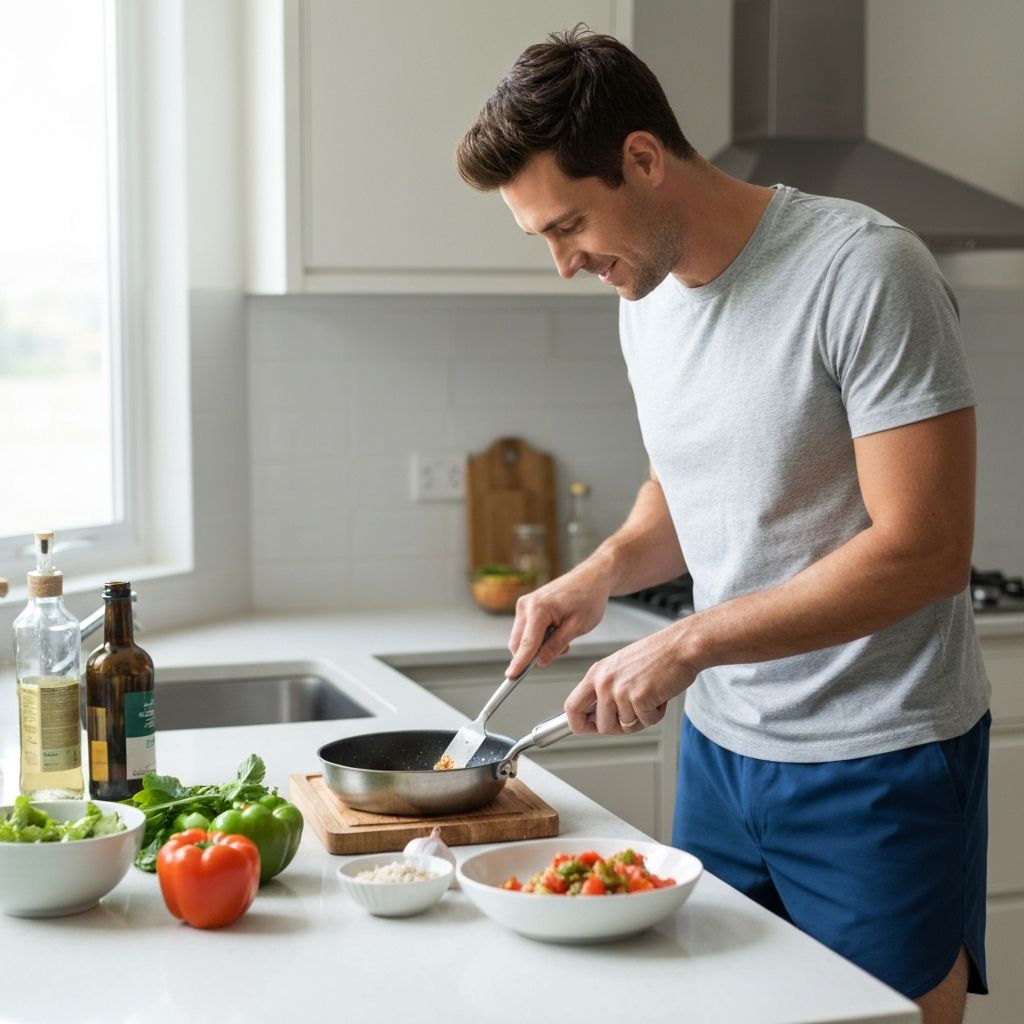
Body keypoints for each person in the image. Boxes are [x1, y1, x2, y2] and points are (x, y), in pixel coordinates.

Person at [455, 26, 990, 1024]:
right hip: (721, 752)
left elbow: (924, 548)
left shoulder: (864, 272)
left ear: (643, 159)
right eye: (544, 240)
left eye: (568, 226)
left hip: (874, 755)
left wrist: (686, 641)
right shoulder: (644, 293)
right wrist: (604, 569)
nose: (565, 265)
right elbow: (696, 485)